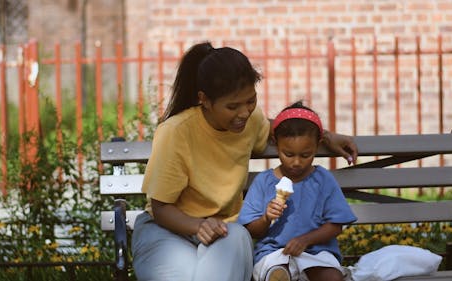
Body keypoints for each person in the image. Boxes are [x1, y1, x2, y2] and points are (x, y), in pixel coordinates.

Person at [131, 42, 358, 281]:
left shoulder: (250, 121)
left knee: (237, 235)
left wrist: (327, 136)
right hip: (167, 233)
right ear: (204, 100)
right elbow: (161, 208)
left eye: (251, 101)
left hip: (225, 233)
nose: (244, 113)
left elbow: (283, 129)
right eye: (232, 106)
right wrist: (198, 226)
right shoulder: (176, 132)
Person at [238, 101, 357, 281]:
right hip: (274, 254)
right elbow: (252, 231)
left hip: (317, 252)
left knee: (332, 277)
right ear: (275, 143)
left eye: (305, 155)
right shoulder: (264, 182)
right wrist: (266, 218)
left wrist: (305, 240)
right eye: (288, 154)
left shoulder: (322, 180)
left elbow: (335, 225)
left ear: (318, 145)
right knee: (277, 275)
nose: (296, 162)